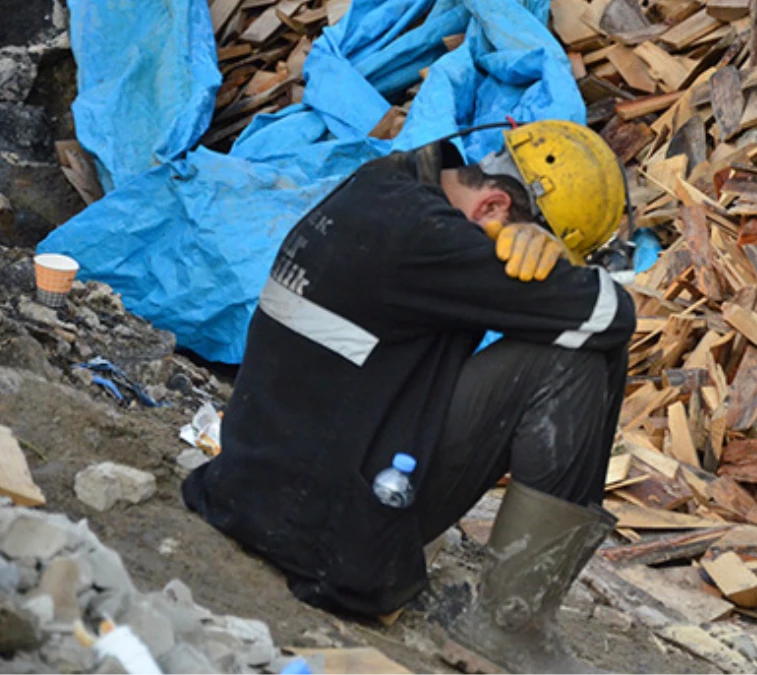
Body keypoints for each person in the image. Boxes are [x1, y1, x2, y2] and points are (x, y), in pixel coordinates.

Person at [181, 120, 636, 674]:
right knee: (579, 360)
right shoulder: (435, 239)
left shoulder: (385, 185)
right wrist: (559, 268)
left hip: (253, 489)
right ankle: (509, 627)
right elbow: (611, 316)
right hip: (325, 539)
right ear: (493, 207)